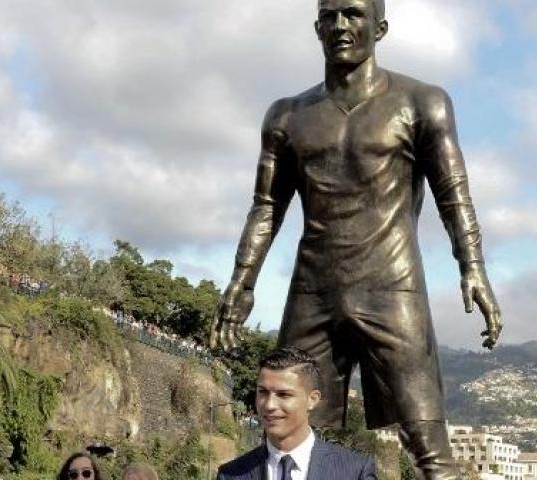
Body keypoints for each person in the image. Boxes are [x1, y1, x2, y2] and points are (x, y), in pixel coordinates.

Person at [210, 0, 503, 478]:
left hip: (393, 286)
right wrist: (241, 284)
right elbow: (266, 206)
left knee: (429, 447)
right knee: (282, 437)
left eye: (353, 14)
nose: (340, 25)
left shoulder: (421, 102)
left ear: (380, 27)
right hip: (314, 290)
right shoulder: (286, 116)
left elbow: (455, 197)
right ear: (316, 27)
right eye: (330, 16)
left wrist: (473, 267)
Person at [216, 347, 376, 479]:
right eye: (262, 392)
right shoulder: (231, 474)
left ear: (312, 399)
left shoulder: (355, 472)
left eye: (284, 395)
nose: (269, 405)